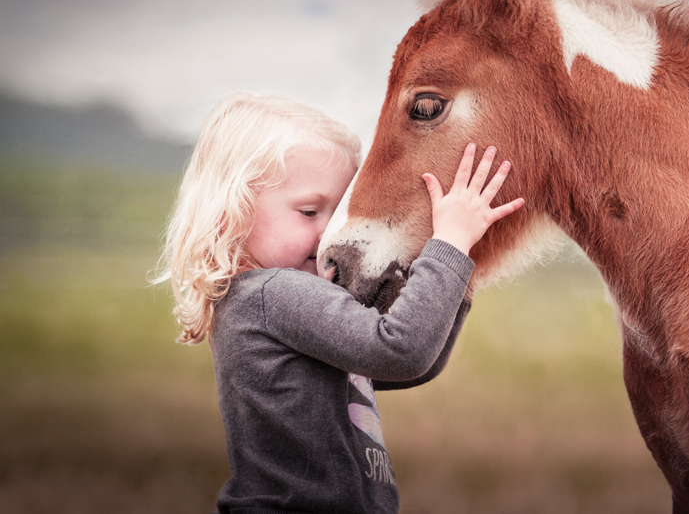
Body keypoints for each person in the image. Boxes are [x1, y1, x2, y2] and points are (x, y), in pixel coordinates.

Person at [156, 93, 523, 514]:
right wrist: (449, 247)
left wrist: (460, 268)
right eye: (310, 211)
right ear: (232, 213)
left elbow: (417, 361)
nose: (330, 235)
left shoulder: (273, 302)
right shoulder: (272, 294)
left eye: (335, 215)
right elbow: (400, 351)